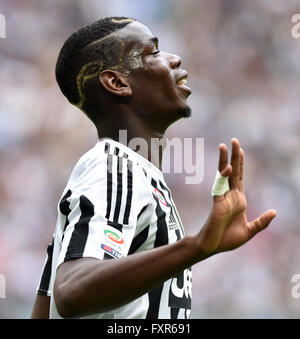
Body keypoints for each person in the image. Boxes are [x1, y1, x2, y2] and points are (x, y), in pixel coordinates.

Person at [31, 17, 277, 319]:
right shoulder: (116, 167)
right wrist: (197, 246)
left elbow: (45, 313)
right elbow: (71, 293)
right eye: (153, 53)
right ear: (117, 83)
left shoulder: (135, 177)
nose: (175, 59)